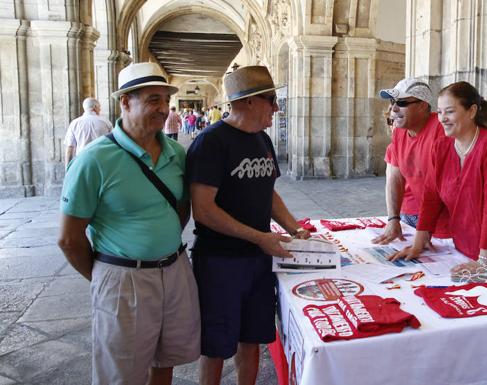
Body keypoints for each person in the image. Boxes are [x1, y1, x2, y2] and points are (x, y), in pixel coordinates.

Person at [57, 62, 200, 385]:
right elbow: (69, 238)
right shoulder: (94, 160)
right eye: (153, 100)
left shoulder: (176, 153)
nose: (163, 109)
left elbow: (180, 207)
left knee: (167, 360)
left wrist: (160, 243)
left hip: (175, 270)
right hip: (124, 278)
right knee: (121, 373)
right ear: (125, 102)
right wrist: (106, 273)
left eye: (166, 100)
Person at [186, 65, 310, 385]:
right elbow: (203, 209)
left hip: (257, 258)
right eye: (272, 100)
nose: (277, 108)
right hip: (220, 261)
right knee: (215, 346)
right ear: (250, 102)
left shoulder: (262, 140)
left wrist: (293, 227)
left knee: (253, 337)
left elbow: (268, 192)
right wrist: (259, 237)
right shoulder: (211, 143)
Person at [389, 81, 487, 279]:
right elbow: (431, 194)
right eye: (439, 112)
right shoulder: (442, 146)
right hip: (464, 246)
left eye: (449, 112)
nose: (442, 119)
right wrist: (419, 242)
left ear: (471, 111)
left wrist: (484, 260)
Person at [372, 79, 450, 245]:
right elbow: (394, 177)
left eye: (401, 102)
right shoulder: (400, 132)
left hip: (447, 225)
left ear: (422, 106)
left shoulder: (441, 130)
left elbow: (437, 187)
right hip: (418, 220)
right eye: (393, 102)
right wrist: (393, 219)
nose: (393, 108)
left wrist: (424, 232)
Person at [64, 97, 112, 168]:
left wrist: (67, 169)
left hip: (81, 162)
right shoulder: (106, 122)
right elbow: (112, 144)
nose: (100, 109)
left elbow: (69, 149)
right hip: (101, 162)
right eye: (99, 107)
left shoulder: (74, 123)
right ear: (95, 107)